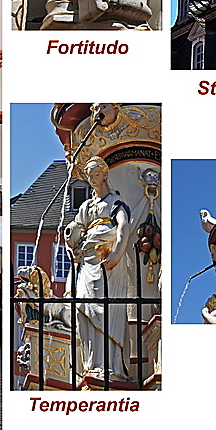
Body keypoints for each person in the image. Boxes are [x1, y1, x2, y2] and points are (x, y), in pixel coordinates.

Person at [68, 156, 131, 381]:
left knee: (107, 310)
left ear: (104, 174)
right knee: (83, 308)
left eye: (96, 175)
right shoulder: (86, 207)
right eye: (89, 176)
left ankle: (111, 365)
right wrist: (72, 248)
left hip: (108, 263)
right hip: (87, 262)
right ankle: (91, 363)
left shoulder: (114, 202)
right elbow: (75, 231)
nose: (92, 179)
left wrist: (117, 253)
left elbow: (123, 226)